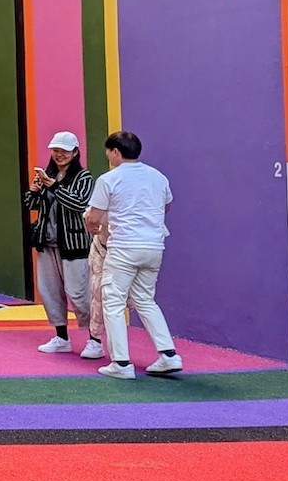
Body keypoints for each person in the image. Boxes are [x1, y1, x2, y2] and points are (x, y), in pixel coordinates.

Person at [84, 131, 180, 379]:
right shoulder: (158, 177)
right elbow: (166, 206)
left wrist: (92, 226)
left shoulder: (109, 179)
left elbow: (94, 217)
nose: (107, 156)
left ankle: (121, 363)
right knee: (145, 300)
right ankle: (169, 355)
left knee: (113, 301)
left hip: (123, 247)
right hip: (154, 247)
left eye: (108, 151)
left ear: (116, 151)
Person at [25, 131, 103, 359]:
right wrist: (35, 190)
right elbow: (31, 205)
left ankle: (94, 339)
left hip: (75, 244)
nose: (59, 155)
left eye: (64, 151)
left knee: (79, 293)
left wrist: (53, 187)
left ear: (75, 152)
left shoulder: (84, 178)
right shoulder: (47, 174)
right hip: (47, 243)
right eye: (55, 150)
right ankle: (61, 337)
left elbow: (79, 205)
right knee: (50, 292)